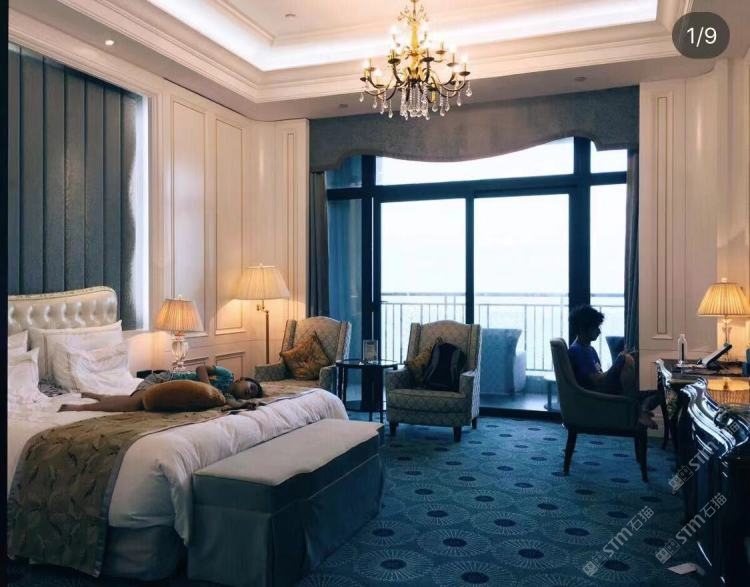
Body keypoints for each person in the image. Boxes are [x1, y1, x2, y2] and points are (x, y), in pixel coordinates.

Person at [567, 305, 659, 429]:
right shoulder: (577, 351)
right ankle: (635, 410)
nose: (599, 331)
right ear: (583, 329)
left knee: (660, 389)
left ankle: (642, 409)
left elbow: (600, 374)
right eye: (595, 327)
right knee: (625, 359)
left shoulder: (590, 349)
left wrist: (618, 365)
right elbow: (597, 380)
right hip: (596, 395)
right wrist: (618, 363)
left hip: (603, 388)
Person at [59, 367, 262, 412]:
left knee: (135, 401)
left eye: (253, 393)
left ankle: (99, 396)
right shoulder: (227, 375)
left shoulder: (225, 396)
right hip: (163, 380)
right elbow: (201, 368)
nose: (250, 392)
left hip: (168, 390)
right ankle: (79, 408)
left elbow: (232, 404)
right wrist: (207, 387)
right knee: (133, 404)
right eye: (251, 387)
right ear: (242, 379)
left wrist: (245, 405)